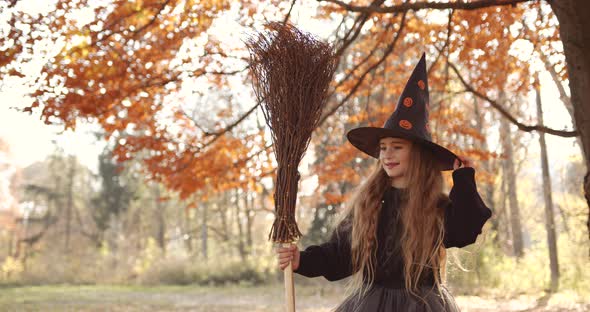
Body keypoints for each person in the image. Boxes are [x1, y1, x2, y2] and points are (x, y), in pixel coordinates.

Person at [276, 53, 492, 312]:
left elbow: (465, 229)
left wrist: (464, 181)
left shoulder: (435, 207)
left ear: (419, 154)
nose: (387, 155)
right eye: (383, 148)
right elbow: (341, 254)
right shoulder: (370, 204)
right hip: (372, 304)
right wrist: (302, 260)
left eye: (397, 147)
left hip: (422, 304)